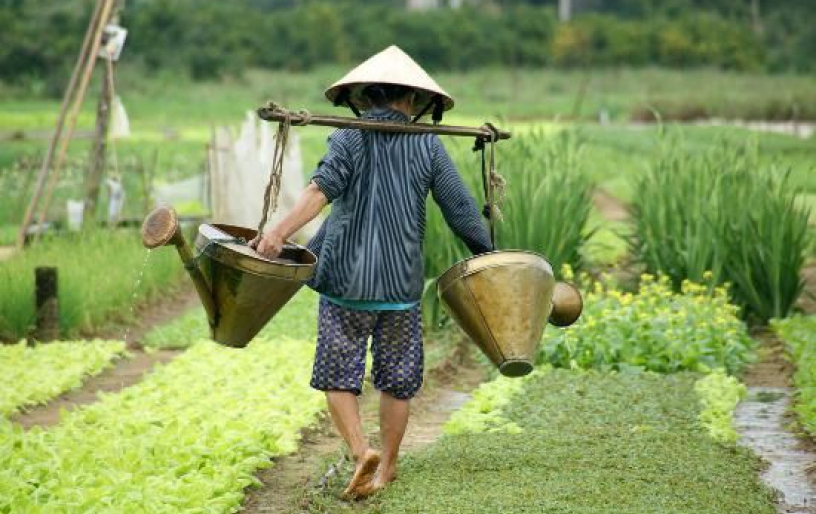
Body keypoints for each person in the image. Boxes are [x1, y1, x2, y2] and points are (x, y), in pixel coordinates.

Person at [253, 45, 492, 499]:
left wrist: (279, 230)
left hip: (346, 284)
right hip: (400, 287)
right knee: (398, 379)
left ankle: (362, 450)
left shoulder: (349, 136)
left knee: (337, 373)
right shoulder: (427, 144)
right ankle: (388, 467)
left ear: (366, 96)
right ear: (413, 101)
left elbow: (319, 191)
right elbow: (460, 210)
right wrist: (489, 255)